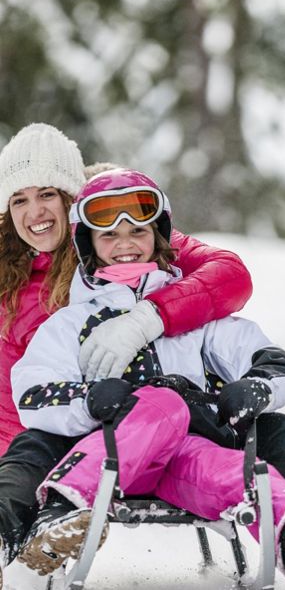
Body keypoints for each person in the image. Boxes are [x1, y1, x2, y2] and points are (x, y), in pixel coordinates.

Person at [11, 167, 285, 590]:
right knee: (164, 402)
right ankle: (62, 509)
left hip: (187, 456)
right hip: (112, 460)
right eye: (109, 236)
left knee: (236, 471)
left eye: (137, 231)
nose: (125, 244)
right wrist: (89, 399)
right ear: (88, 244)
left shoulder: (195, 318)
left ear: (157, 236)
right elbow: (32, 392)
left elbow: (275, 364)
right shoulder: (73, 322)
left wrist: (255, 386)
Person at [0, 124, 253, 586]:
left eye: (48, 195)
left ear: (72, 198)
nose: (35, 213)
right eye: (19, 199)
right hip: (28, 438)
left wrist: (148, 317)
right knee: (22, 458)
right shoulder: (5, 264)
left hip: (107, 429)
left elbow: (230, 276)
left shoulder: (117, 240)